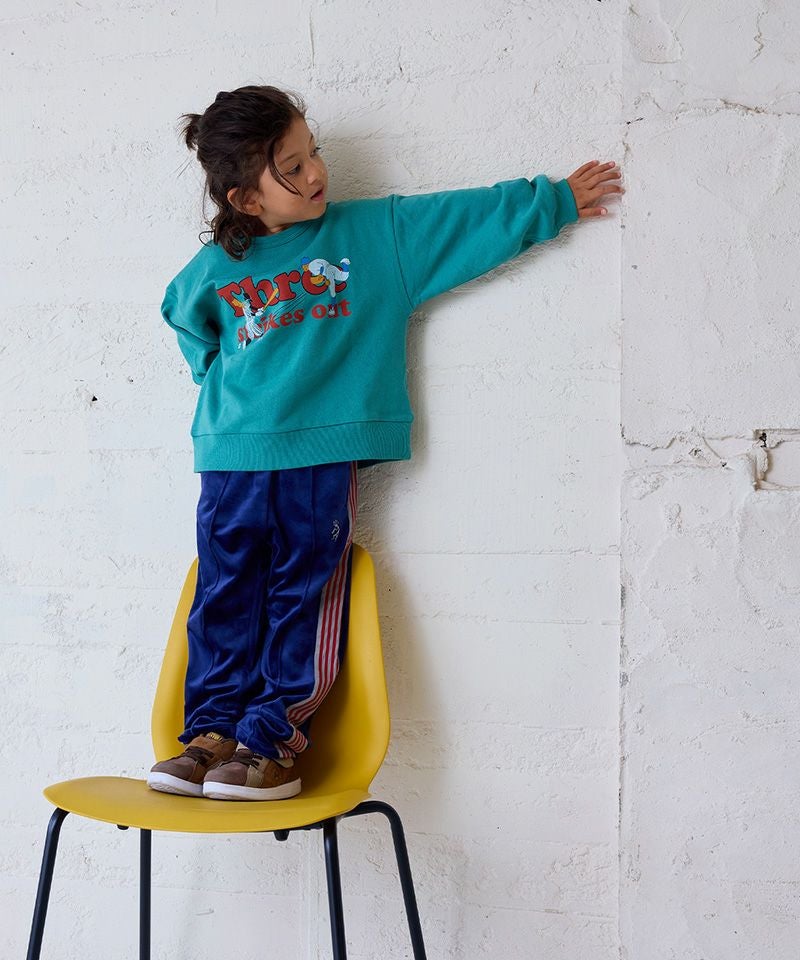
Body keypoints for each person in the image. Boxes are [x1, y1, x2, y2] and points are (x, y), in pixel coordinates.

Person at [146, 83, 624, 802]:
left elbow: (461, 219)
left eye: (313, 154)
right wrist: (222, 384)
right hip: (230, 456)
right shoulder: (213, 269)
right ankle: (208, 734)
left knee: (302, 591)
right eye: (292, 168)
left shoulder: (374, 237)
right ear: (244, 198)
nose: (316, 174)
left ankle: (269, 742)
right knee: (225, 592)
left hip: (320, 457)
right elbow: (185, 320)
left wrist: (551, 201)